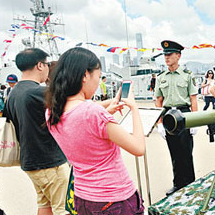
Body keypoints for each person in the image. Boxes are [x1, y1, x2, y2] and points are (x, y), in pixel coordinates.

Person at [45, 47, 145, 214]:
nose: (98, 83)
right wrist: (134, 108)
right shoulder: (93, 113)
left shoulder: (51, 112)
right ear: (85, 75)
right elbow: (138, 148)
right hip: (113, 198)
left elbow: (80, 116)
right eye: (98, 77)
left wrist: (108, 108)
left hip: (83, 197)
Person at [2, 48, 69, 215]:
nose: (47, 69)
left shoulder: (13, 93)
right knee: (63, 209)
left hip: (30, 161)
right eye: (46, 64)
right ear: (40, 65)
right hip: (48, 161)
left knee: (44, 204)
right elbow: (72, 108)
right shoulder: (38, 92)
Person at [155, 40, 198, 196]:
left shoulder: (187, 76)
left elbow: (193, 99)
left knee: (186, 153)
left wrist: (195, 121)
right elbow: (158, 101)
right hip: (168, 116)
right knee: (174, 153)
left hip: (184, 114)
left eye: (170, 54)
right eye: (165, 55)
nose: (166, 57)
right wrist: (159, 124)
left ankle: (190, 185)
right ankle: (178, 184)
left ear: (178, 56)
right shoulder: (161, 77)